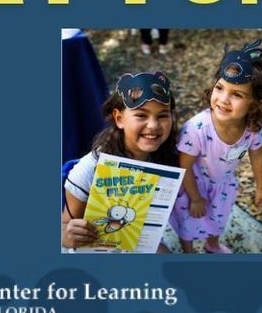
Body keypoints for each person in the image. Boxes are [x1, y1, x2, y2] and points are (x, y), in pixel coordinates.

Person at [170, 40, 262, 253]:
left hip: (223, 186)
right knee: (188, 223)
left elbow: (257, 155)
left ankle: (212, 244)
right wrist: (196, 198)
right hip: (192, 187)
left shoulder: (252, 127)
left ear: (256, 101)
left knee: (219, 218)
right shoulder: (196, 128)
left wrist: (260, 187)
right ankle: (188, 251)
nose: (223, 99)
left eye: (237, 94)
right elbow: (184, 166)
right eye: (220, 88)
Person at [62, 71, 179, 252]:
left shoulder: (166, 157)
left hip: (140, 241)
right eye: (141, 115)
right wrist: (66, 234)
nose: (154, 125)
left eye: (163, 115)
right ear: (119, 118)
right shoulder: (90, 169)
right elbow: (65, 225)